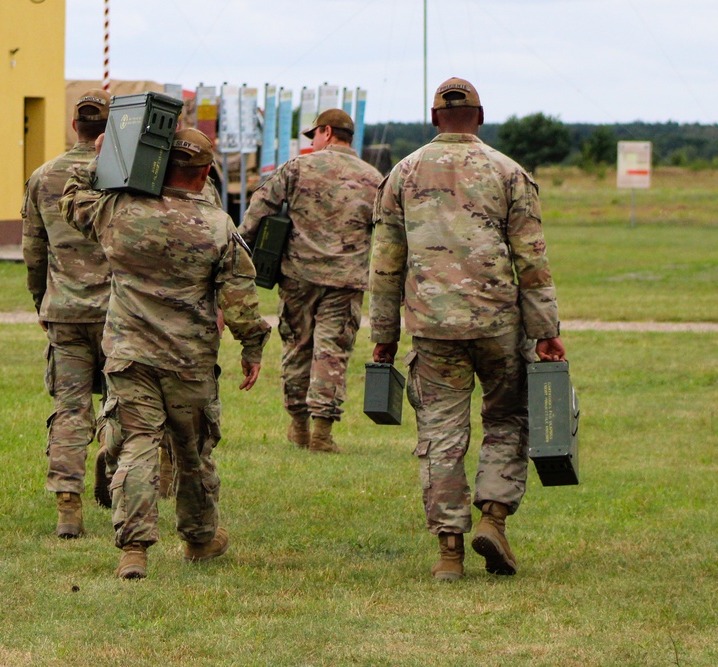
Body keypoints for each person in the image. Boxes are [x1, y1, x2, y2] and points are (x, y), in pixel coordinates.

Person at [369, 78, 566, 581]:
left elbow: (386, 263)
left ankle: (449, 554)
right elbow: (532, 259)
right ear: (480, 116)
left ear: (434, 118)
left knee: (440, 435)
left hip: (433, 328)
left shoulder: (402, 173)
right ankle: (494, 519)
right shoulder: (508, 172)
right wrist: (545, 329)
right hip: (499, 322)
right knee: (509, 418)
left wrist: (385, 333)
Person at [60, 128, 272, 579]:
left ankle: (134, 550)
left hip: (129, 355)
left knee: (136, 445)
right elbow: (240, 301)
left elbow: (73, 199)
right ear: (206, 173)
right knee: (192, 452)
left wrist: (99, 157)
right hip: (189, 361)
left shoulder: (121, 211)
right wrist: (252, 347)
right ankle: (198, 539)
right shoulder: (217, 225)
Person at [239, 108, 381, 453]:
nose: (313, 142)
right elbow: (390, 230)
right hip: (346, 281)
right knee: (332, 352)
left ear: (327, 132)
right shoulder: (374, 178)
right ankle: (322, 433)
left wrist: (239, 247)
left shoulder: (299, 167)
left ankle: (299, 427)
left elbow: (261, 206)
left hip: (299, 277)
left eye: (313, 135)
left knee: (298, 347)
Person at [21, 89, 112, 538]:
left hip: (65, 311)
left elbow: (34, 251)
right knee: (124, 404)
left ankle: (68, 507)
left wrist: (41, 301)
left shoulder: (43, 177)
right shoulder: (123, 175)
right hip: (121, 314)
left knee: (70, 408)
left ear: (75, 125)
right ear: (109, 129)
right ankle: (114, 470)